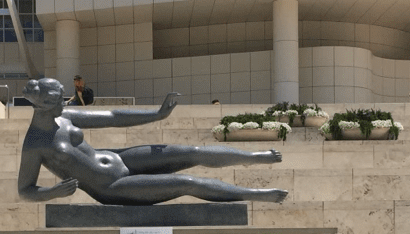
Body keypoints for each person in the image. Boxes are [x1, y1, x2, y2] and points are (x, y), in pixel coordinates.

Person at [17, 77, 288, 205]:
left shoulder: (65, 116)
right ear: (42, 106)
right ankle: (256, 195)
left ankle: (252, 157)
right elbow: (25, 189)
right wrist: (53, 193)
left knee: (190, 152)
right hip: (111, 186)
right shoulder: (35, 143)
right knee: (186, 183)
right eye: (57, 102)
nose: (63, 105)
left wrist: (157, 115)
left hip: (120, 158)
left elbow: (113, 116)